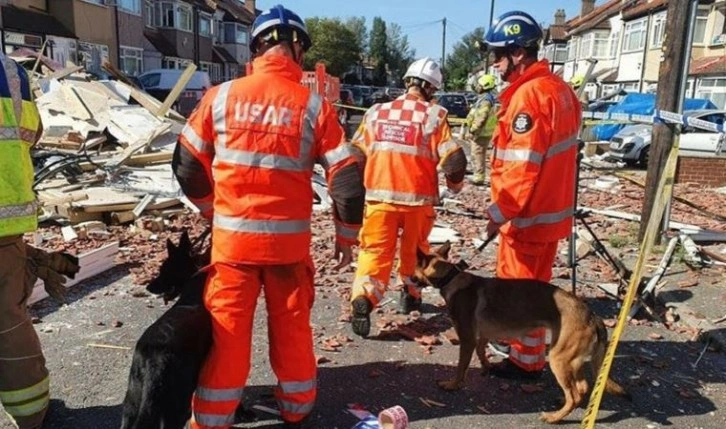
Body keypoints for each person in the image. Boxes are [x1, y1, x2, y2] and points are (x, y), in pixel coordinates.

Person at [172, 5, 365, 428]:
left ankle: (211, 418)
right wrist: (346, 236)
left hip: (233, 247)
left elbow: (186, 163)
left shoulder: (220, 97)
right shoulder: (315, 107)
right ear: (297, 48)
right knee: (293, 328)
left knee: (227, 333)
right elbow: (348, 182)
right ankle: (297, 408)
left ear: (257, 46)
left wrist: (211, 211)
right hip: (288, 250)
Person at [481, 11, 582, 379]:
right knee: (536, 295)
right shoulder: (560, 90)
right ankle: (530, 357)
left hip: (525, 219)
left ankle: (525, 364)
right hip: (550, 215)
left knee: (518, 297)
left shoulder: (529, 96)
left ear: (518, 53)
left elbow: (521, 166)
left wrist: (498, 212)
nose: (496, 64)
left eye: (499, 55)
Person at [348, 57, 467, 338]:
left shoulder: (376, 112)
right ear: (430, 88)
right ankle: (410, 294)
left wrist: (354, 193)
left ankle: (364, 298)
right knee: (416, 253)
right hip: (417, 202)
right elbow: (455, 159)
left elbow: (355, 155)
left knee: (374, 253)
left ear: (406, 81)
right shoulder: (435, 115)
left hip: (378, 200)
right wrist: (455, 184)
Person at [0, 53, 79, 429]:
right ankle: (30, 413)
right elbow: (33, 135)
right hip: (6, 222)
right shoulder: (11, 72)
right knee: (7, 323)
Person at [464, 74, 499, 186]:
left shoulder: (485, 101)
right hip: (483, 132)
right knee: (478, 153)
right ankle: (479, 175)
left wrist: (473, 129)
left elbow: (482, 117)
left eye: (479, 85)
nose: (477, 87)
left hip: (481, 133)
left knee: (477, 154)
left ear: (484, 86)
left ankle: (479, 177)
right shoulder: (485, 99)